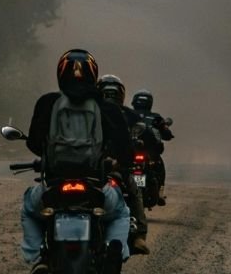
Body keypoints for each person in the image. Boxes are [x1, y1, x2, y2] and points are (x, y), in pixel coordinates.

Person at [21, 49, 132, 274]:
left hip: (53, 187)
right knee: (120, 213)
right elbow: (125, 152)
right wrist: (115, 162)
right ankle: (115, 249)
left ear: (60, 73)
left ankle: (38, 258)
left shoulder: (47, 103)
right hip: (95, 187)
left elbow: (33, 143)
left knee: (29, 208)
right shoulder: (107, 108)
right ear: (93, 74)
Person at [97, 74, 151, 256]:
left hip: (94, 165)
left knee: (135, 188)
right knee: (135, 191)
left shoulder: (90, 110)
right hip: (112, 166)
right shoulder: (127, 114)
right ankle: (139, 237)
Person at [130, 89, 173, 205]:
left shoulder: (127, 114)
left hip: (130, 152)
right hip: (150, 154)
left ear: (134, 102)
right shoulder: (156, 117)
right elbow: (167, 135)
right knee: (160, 166)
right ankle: (160, 193)